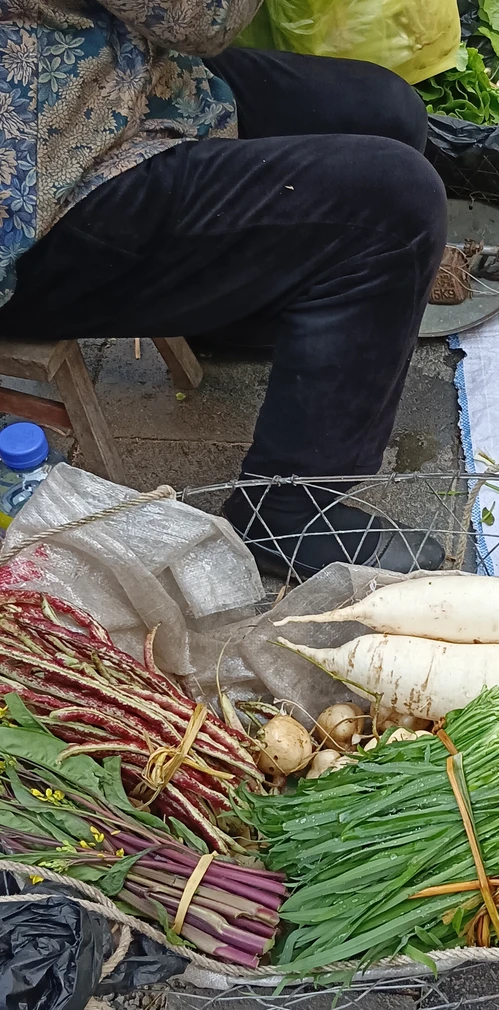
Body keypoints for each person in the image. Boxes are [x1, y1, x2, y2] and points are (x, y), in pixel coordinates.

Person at [0, 1, 448, 578]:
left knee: (383, 111)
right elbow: (199, 17)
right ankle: (284, 514)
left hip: (100, 71)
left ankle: (238, 310)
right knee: (395, 206)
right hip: (34, 200)